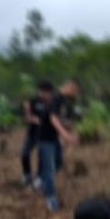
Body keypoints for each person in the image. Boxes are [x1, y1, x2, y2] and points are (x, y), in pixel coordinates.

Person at [33, 79, 77, 211]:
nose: (75, 94)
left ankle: (40, 181)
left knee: (58, 162)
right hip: (45, 138)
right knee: (50, 168)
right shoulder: (56, 97)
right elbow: (53, 118)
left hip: (53, 138)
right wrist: (65, 134)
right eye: (75, 91)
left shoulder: (62, 100)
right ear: (70, 87)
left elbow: (59, 118)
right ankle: (51, 198)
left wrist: (67, 126)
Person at [21, 88, 45, 187]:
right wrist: (30, 116)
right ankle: (27, 175)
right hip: (32, 132)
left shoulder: (51, 102)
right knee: (25, 153)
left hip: (44, 134)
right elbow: (28, 117)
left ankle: (39, 177)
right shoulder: (33, 101)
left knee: (42, 155)